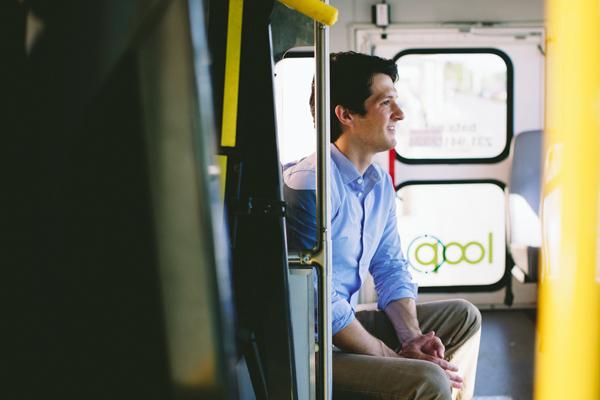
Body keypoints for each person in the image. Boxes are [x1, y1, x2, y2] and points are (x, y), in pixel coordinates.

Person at [283, 52, 481, 400]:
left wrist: (412, 340)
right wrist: (397, 360)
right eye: (386, 103)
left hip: (339, 330)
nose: (400, 114)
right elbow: (318, 305)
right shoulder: (311, 186)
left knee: (463, 316)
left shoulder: (379, 182)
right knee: (428, 380)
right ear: (345, 115)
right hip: (306, 348)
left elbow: (390, 267)